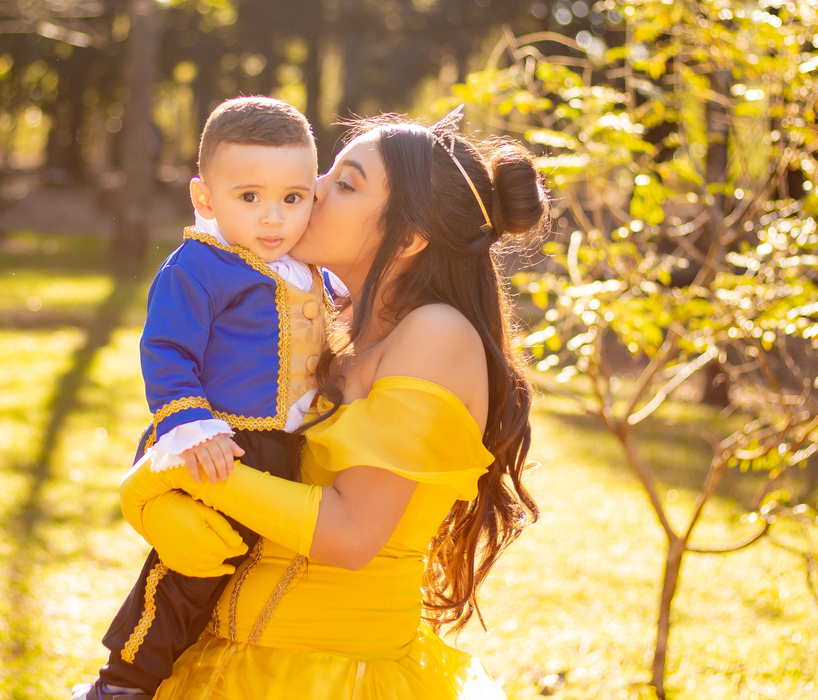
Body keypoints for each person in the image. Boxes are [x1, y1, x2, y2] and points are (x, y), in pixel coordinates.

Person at [119, 108, 547, 698]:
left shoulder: (437, 334)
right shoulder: (329, 325)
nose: (310, 191)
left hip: (333, 676)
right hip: (224, 660)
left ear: (409, 237)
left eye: (343, 184)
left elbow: (351, 535)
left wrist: (177, 471)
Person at [76, 97, 340, 700]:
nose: (273, 218)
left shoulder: (308, 268)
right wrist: (191, 424)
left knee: (249, 576)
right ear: (205, 199)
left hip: (287, 450)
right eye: (249, 198)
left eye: (292, 199)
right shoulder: (198, 265)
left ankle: (197, 674)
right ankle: (123, 681)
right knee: (192, 565)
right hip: (220, 445)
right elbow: (167, 350)